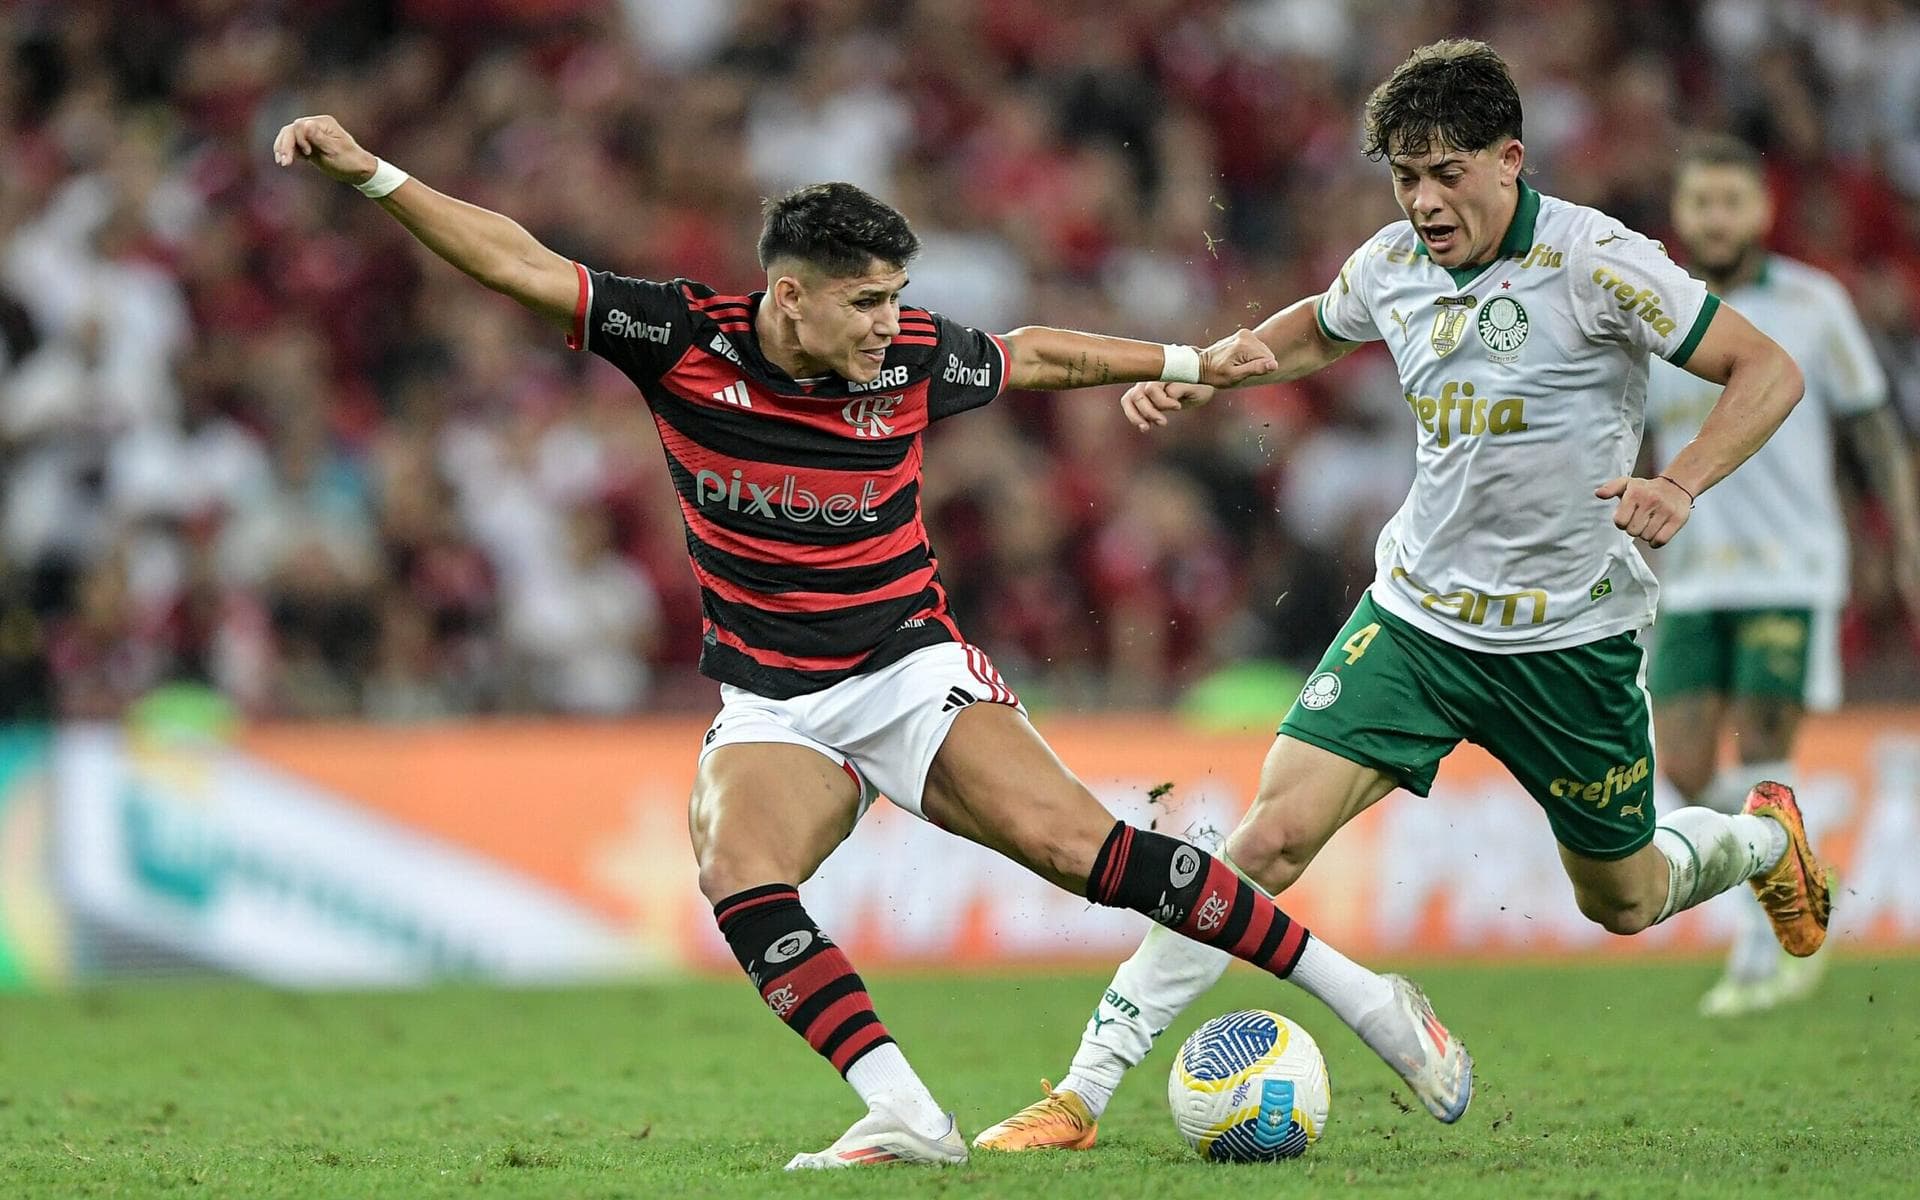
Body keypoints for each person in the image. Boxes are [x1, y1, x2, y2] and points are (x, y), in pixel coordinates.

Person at [272, 117, 1474, 1170]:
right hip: (774, 702)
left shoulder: (906, 361)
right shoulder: (683, 340)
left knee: (1087, 852)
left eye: (898, 297)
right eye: (866, 301)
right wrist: (374, 173)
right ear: (787, 295)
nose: (891, 323)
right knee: (735, 873)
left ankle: (1372, 1005)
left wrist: (1186, 363)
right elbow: (520, 264)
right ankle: (905, 1114)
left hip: (908, 672)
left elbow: (1039, 351)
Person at [973, 39, 1825, 1153]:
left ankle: (1760, 844)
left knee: (1622, 901)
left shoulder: (1601, 262)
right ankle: (1081, 1095)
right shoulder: (1393, 264)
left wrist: (1680, 481)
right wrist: (1199, 373)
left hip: (1570, 641)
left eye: (1446, 172)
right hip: (1416, 622)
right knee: (1268, 840)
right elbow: (1310, 332)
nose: (1423, 200)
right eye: (1404, 176)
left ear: (1510, 159)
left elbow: (1768, 370)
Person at [1644, 135, 1920, 1017]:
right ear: (1680, 215)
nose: (1716, 218)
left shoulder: (1814, 303)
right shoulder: (1656, 311)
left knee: (1762, 759)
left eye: (1732, 201)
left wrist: (1909, 538)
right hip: (1688, 576)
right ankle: (1794, 853)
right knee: (1683, 767)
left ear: (1762, 210)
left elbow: (1875, 428)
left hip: (1789, 571)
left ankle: (1760, 956)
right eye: (1701, 203)